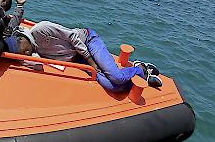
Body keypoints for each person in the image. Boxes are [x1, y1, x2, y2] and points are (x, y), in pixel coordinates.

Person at [12, 21, 162, 92]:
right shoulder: (35, 52)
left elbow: (72, 36)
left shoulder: (41, 29)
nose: (26, 53)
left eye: (22, 49)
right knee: (112, 86)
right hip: (78, 58)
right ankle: (135, 79)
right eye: (22, 54)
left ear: (21, 37)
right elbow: (37, 65)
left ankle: (140, 69)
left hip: (87, 40)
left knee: (115, 77)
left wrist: (91, 62)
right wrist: (23, 60)